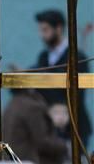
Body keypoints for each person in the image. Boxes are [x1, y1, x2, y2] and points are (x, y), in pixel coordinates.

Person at [34, 8, 91, 148]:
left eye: (45, 30)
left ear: (58, 29)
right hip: (49, 129)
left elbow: (76, 94)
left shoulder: (77, 57)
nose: (42, 35)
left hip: (74, 127)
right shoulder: (44, 57)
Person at [4, 65, 69, 164]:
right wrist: (66, 146)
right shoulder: (32, 107)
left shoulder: (12, 105)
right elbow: (43, 142)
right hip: (28, 160)